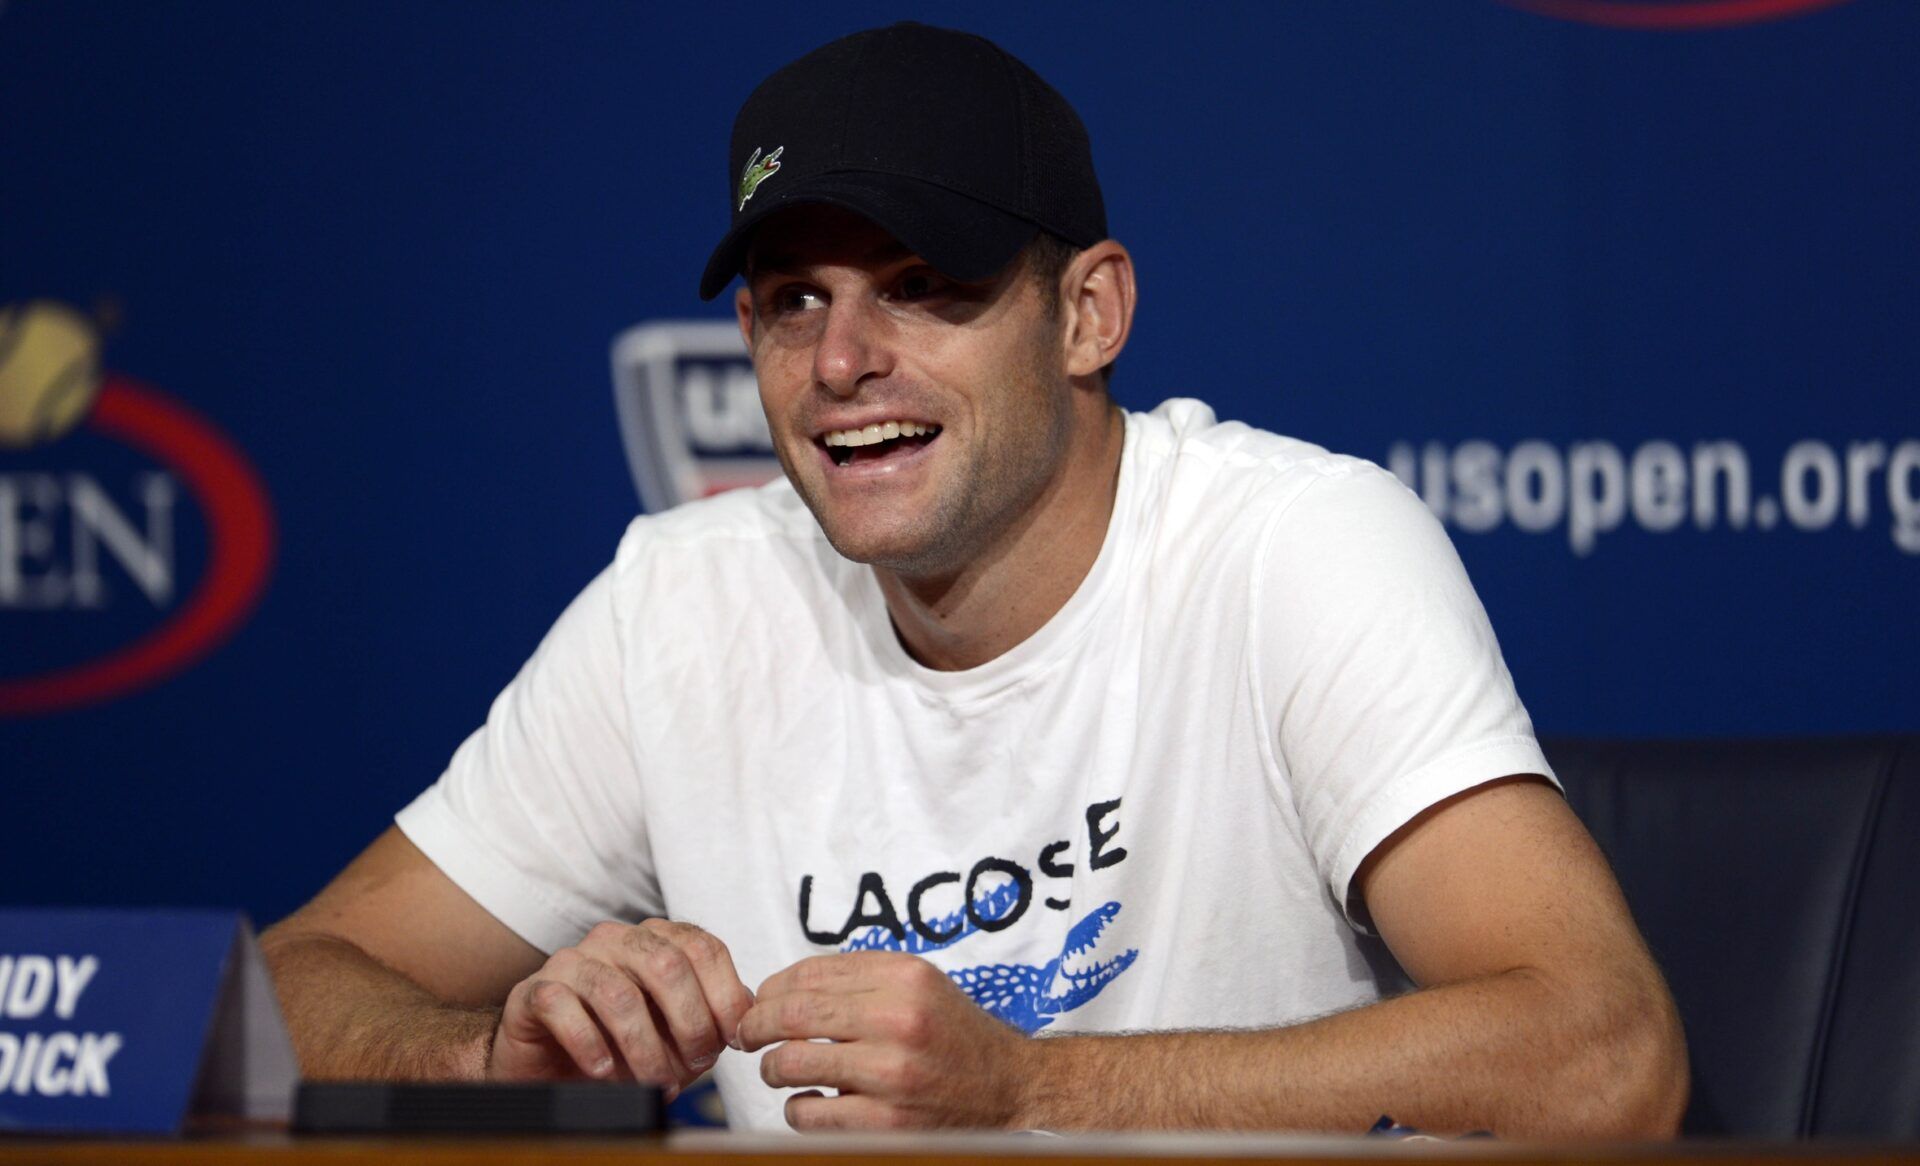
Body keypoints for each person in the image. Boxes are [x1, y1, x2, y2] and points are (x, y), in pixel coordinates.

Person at [262, 22, 1687, 1136]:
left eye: (920, 283)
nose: (838, 363)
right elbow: (285, 986)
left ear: (1087, 313)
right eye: (791, 301)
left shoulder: (1288, 547)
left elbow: (1606, 1054)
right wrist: (490, 1056)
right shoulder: (683, 603)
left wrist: (1030, 1091)